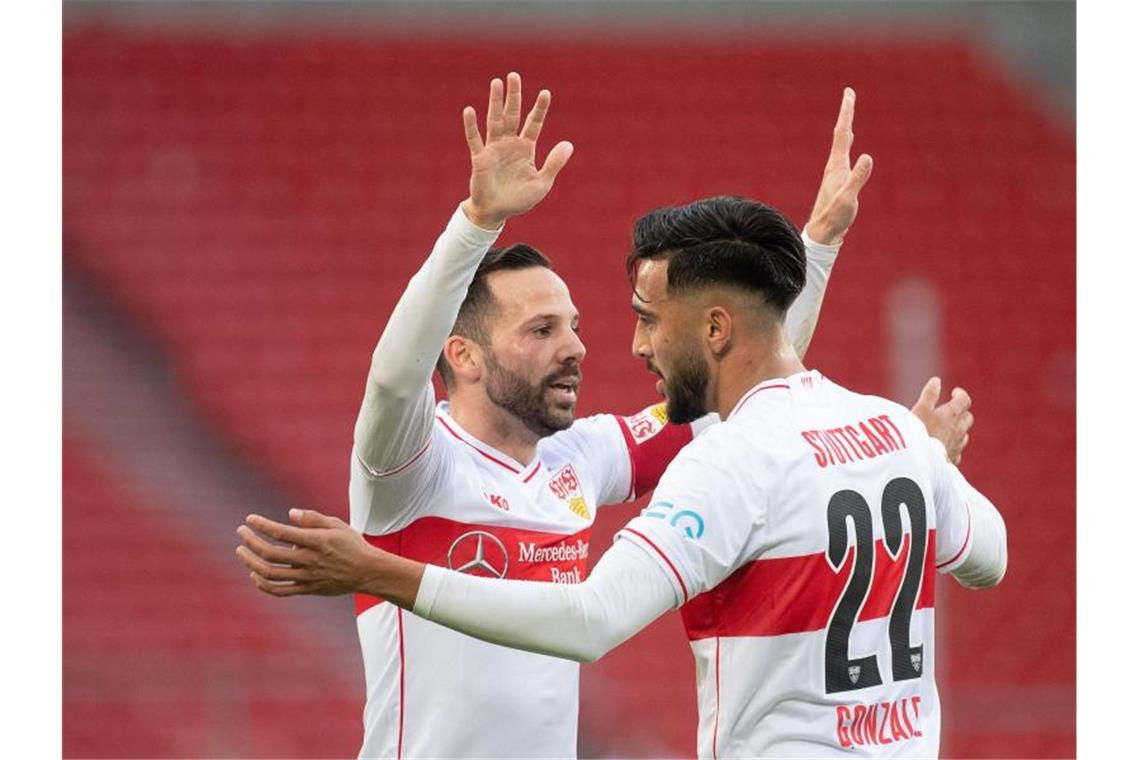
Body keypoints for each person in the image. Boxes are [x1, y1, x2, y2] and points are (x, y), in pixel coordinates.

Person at [237, 79, 976, 759]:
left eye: (575, 325)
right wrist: (477, 223)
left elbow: (743, 383)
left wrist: (814, 249)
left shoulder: (581, 461)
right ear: (460, 354)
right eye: (541, 331)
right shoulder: (410, 470)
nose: (576, 349)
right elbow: (395, 376)